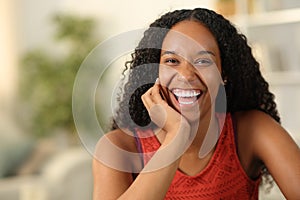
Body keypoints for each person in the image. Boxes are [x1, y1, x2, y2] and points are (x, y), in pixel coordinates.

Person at [92, 8, 300, 199]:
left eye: (203, 61)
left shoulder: (253, 131)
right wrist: (177, 136)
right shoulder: (117, 148)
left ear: (223, 73)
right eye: (172, 61)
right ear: (155, 72)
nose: (186, 75)